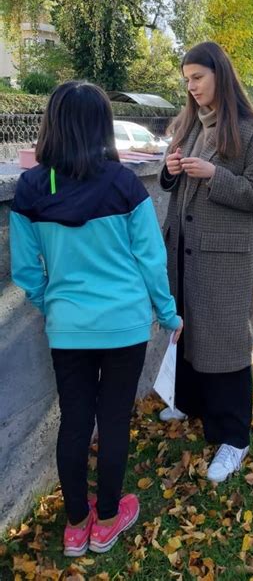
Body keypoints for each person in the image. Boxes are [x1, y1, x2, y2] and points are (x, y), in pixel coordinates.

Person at [9, 81, 182, 557]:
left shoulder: (30, 188)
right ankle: (108, 520)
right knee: (112, 420)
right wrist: (168, 314)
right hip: (125, 325)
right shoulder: (124, 183)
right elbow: (151, 257)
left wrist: (54, 308)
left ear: (53, 125)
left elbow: (26, 272)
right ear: (102, 126)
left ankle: (75, 525)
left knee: (74, 421)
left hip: (68, 329)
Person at [158, 41, 253, 483]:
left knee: (225, 342)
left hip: (224, 259)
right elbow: (169, 181)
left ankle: (233, 437)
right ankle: (188, 401)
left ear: (219, 75)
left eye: (197, 78)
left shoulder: (251, 132)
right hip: (184, 251)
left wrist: (215, 177)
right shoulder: (188, 125)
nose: (191, 88)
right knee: (188, 328)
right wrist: (170, 169)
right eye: (186, 80)